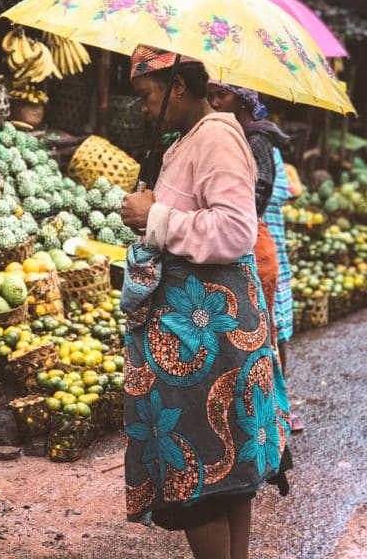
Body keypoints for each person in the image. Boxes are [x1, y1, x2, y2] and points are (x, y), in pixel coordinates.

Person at [121, 46, 290, 559]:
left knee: (204, 473)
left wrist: (155, 218)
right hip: (204, 338)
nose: (144, 108)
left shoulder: (215, 135)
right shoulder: (191, 139)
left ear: (176, 85)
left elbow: (236, 230)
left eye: (147, 95)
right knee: (228, 474)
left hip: (207, 343)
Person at [207, 82, 302, 432]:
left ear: (243, 99)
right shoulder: (237, 138)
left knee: (269, 327)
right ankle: (266, 412)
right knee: (262, 326)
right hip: (257, 239)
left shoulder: (257, 140)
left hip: (261, 240)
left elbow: (262, 193)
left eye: (223, 95)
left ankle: (276, 410)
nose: (215, 102)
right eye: (211, 95)